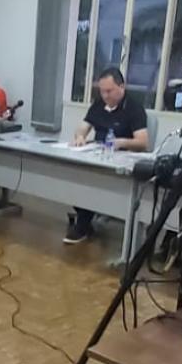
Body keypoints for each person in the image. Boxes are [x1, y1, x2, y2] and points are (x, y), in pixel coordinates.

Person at [64, 68, 151, 244]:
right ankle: (84, 217)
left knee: (91, 182)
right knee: (74, 176)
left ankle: (83, 225)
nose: (105, 95)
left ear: (122, 87)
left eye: (109, 91)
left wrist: (121, 142)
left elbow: (143, 142)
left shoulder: (134, 108)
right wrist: (80, 137)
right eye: (102, 91)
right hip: (98, 155)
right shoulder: (98, 104)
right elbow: (83, 127)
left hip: (122, 159)